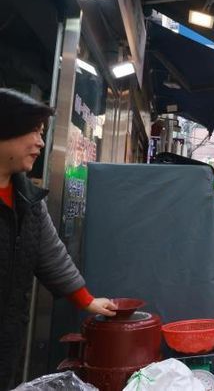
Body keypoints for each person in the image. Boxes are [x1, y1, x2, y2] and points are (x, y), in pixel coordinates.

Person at [0, 88, 115, 390]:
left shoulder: (28, 199)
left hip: (8, 338)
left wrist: (88, 301)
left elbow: (50, 254)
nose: (40, 142)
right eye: (33, 131)